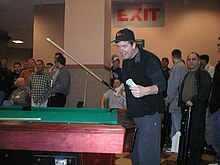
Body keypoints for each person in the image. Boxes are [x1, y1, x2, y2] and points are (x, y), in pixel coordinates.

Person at [112, 28, 166, 165]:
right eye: (118, 46)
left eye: (124, 46)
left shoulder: (149, 59)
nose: (121, 50)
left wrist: (145, 90)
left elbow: (162, 84)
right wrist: (121, 87)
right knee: (136, 155)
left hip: (149, 115)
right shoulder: (126, 60)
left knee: (147, 157)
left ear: (134, 44)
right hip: (134, 114)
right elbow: (127, 78)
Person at [179, 52, 211, 165]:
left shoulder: (203, 75)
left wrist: (193, 101)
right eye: (189, 59)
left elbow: (205, 91)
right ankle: (185, 159)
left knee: (196, 137)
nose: (191, 61)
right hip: (186, 110)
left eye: (193, 59)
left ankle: (194, 161)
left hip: (197, 111)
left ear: (198, 61)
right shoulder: (187, 75)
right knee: (186, 136)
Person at [165, 49, 187, 153]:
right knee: (176, 124)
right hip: (179, 100)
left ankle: (178, 147)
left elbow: (173, 85)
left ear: (172, 57)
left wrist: (168, 98)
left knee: (177, 124)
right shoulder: (183, 67)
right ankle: (175, 147)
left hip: (176, 101)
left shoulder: (178, 67)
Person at [200, 54, 216, 152]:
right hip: (204, 101)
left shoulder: (211, 69)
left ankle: (210, 143)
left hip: (209, 100)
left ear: (204, 60)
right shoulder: (202, 70)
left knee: (208, 123)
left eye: (200, 60)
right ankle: (206, 141)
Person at [209, 38, 220, 165]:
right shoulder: (218, 65)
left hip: (217, 107)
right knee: (215, 137)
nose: (218, 47)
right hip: (215, 107)